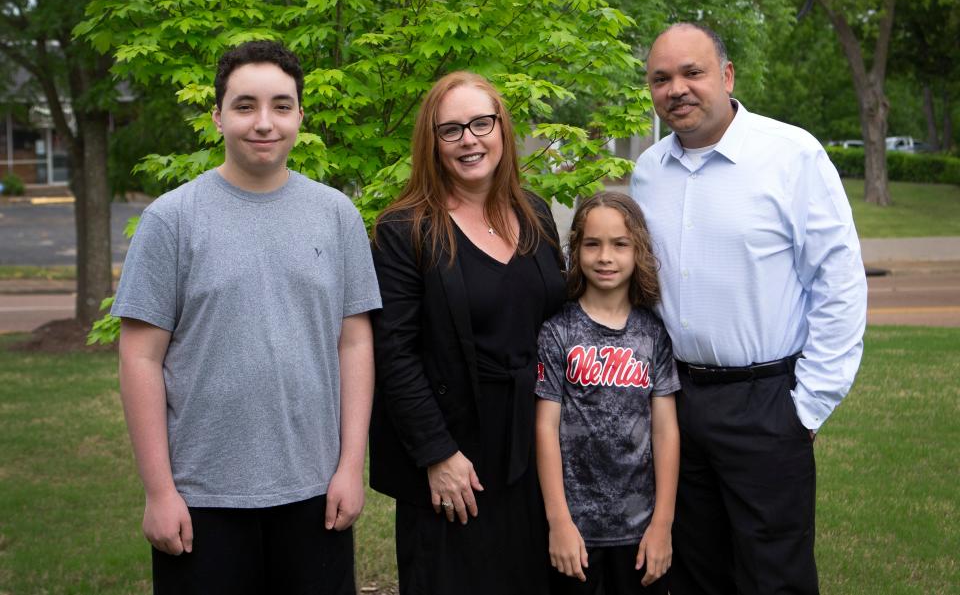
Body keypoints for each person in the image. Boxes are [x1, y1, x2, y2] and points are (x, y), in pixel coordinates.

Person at [112, 40, 381, 594]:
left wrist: (351, 467)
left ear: (300, 116)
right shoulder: (171, 221)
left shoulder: (337, 216)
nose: (264, 123)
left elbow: (354, 344)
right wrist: (159, 491)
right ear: (217, 116)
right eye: (244, 106)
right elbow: (139, 357)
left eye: (281, 106)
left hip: (315, 494)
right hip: (200, 497)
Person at [631, 23, 868, 595]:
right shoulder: (647, 173)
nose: (677, 89)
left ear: (727, 76)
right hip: (676, 400)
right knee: (692, 569)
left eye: (693, 72)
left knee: (773, 575)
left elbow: (838, 285)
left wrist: (805, 407)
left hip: (767, 404)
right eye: (661, 79)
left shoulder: (790, 155)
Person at [369, 71, 567, 595]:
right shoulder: (404, 229)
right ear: (431, 144)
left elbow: (559, 324)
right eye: (451, 130)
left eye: (481, 123)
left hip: (535, 442)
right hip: (457, 457)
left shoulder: (536, 214)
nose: (469, 140)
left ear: (502, 128)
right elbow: (394, 353)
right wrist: (437, 454)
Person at [535, 192, 680, 595]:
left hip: (641, 531)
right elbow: (546, 429)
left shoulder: (653, 333)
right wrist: (559, 522)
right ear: (576, 249)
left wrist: (663, 525)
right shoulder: (558, 331)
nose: (605, 257)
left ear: (639, 252)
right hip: (577, 534)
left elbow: (665, 431)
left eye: (620, 245)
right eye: (592, 244)